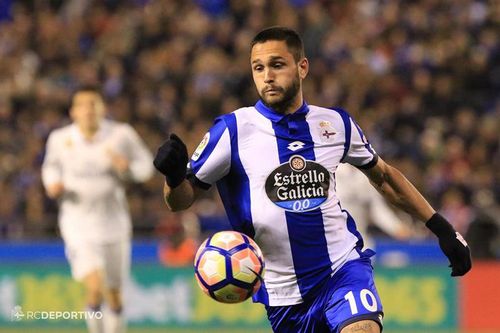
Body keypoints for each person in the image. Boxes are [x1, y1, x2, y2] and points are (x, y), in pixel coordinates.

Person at [153, 27, 471, 333]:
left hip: (342, 269)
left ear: (302, 67)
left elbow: (385, 178)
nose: (267, 76)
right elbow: (179, 201)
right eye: (258, 67)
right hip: (282, 297)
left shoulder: (335, 124)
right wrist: (173, 176)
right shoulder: (233, 130)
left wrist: (442, 230)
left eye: (277, 64)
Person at [41, 86, 154, 333]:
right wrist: (52, 185)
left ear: (103, 108)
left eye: (94, 103)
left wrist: (128, 168)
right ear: (73, 112)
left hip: (114, 223)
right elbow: (50, 167)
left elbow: (146, 166)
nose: (89, 109)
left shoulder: (121, 135)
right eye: (83, 105)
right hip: (77, 223)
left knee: (114, 294)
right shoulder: (60, 139)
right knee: (94, 285)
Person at [335, 164, 411, 250]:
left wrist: (396, 227)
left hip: (360, 241)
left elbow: (377, 209)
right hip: (331, 240)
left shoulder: (366, 176)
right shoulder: (330, 171)